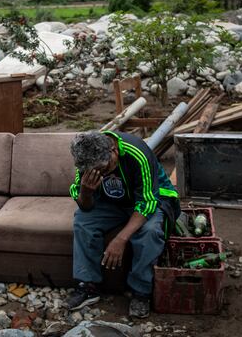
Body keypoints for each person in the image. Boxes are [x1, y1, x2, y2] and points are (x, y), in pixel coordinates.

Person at [66, 131, 180, 318]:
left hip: (151, 198)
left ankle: (141, 292)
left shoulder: (137, 153)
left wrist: (121, 239)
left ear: (114, 150)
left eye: (106, 168)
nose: (102, 174)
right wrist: (86, 193)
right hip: (113, 204)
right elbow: (85, 207)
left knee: (150, 231)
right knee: (82, 221)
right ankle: (88, 285)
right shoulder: (88, 161)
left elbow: (147, 202)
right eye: (97, 171)